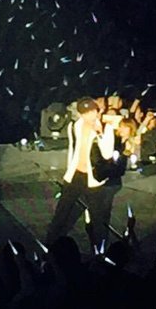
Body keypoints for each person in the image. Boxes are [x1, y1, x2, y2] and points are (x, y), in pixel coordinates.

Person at [46, 97, 117, 247]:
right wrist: (69, 171)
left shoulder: (106, 128)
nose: (90, 116)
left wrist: (99, 133)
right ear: (80, 114)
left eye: (92, 111)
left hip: (94, 178)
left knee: (97, 217)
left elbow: (107, 155)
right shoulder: (74, 126)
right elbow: (73, 150)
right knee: (62, 212)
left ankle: (99, 249)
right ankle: (50, 244)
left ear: (97, 111)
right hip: (75, 175)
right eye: (85, 113)